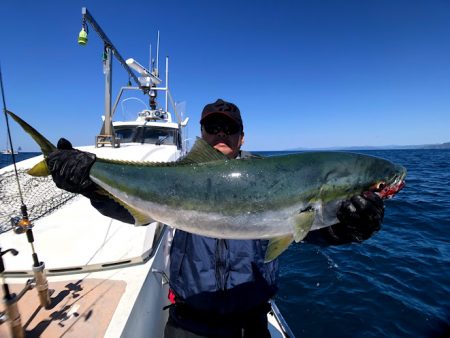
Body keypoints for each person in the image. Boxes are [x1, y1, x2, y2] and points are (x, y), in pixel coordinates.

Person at [47, 99, 384, 338]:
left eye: (230, 128)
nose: (221, 133)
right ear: (202, 135)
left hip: (251, 325)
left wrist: (349, 228)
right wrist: (89, 184)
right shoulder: (177, 179)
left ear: (242, 137)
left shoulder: (273, 180)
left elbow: (310, 228)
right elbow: (133, 210)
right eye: (213, 127)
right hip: (189, 323)